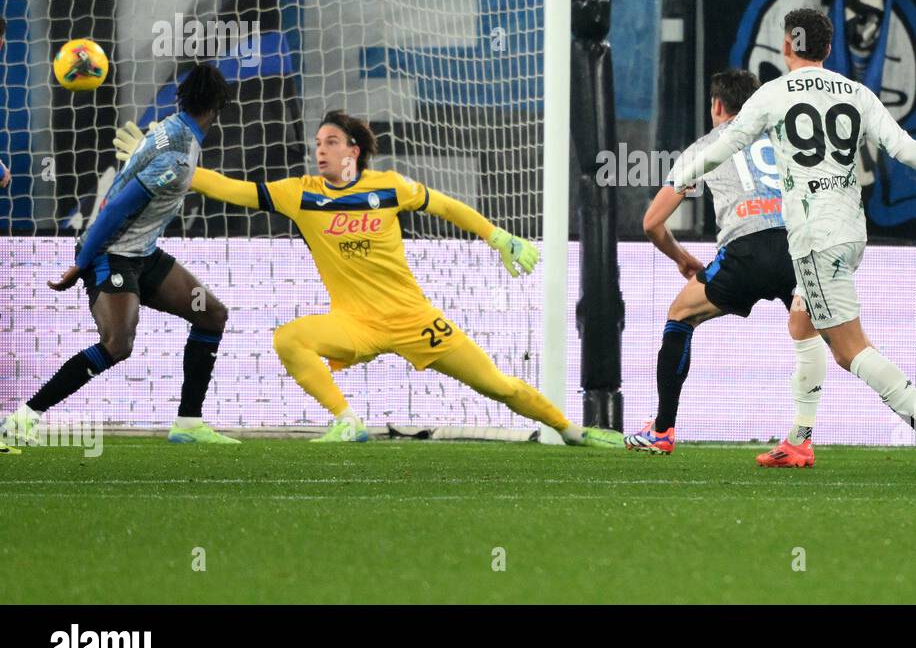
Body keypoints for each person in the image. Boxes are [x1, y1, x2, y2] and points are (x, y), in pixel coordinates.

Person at [121, 109, 621, 447]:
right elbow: (230, 189)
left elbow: (445, 205)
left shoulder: (389, 187)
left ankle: (571, 430)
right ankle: (348, 421)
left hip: (414, 321)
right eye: (317, 142)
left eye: (331, 142)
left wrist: (496, 237)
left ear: (354, 150)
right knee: (289, 338)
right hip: (355, 325)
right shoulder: (302, 193)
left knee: (498, 386)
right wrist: (162, 160)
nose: (320, 150)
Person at [670, 9, 916, 470]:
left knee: (848, 347)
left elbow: (726, 144)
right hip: (851, 230)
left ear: (787, 47)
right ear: (829, 49)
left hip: (815, 237)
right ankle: (798, 439)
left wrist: (682, 176)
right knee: (802, 324)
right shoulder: (856, 92)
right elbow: (900, 146)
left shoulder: (772, 94)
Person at [0, 64, 238, 448]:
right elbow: (114, 210)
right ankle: (22, 420)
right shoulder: (178, 155)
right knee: (117, 344)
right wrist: (83, 260)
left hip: (142, 254)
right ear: (218, 106)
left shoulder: (173, 127)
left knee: (212, 314)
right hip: (111, 253)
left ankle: (189, 422)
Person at [625, 70, 827, 467]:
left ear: (716, 105)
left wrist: (683, 259)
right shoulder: (786, 139)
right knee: (841, 345)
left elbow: (651, 222)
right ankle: (805, 438)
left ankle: (663, 430)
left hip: (745, 253)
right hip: (797, 250)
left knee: (680, 316)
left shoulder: (706, 147)